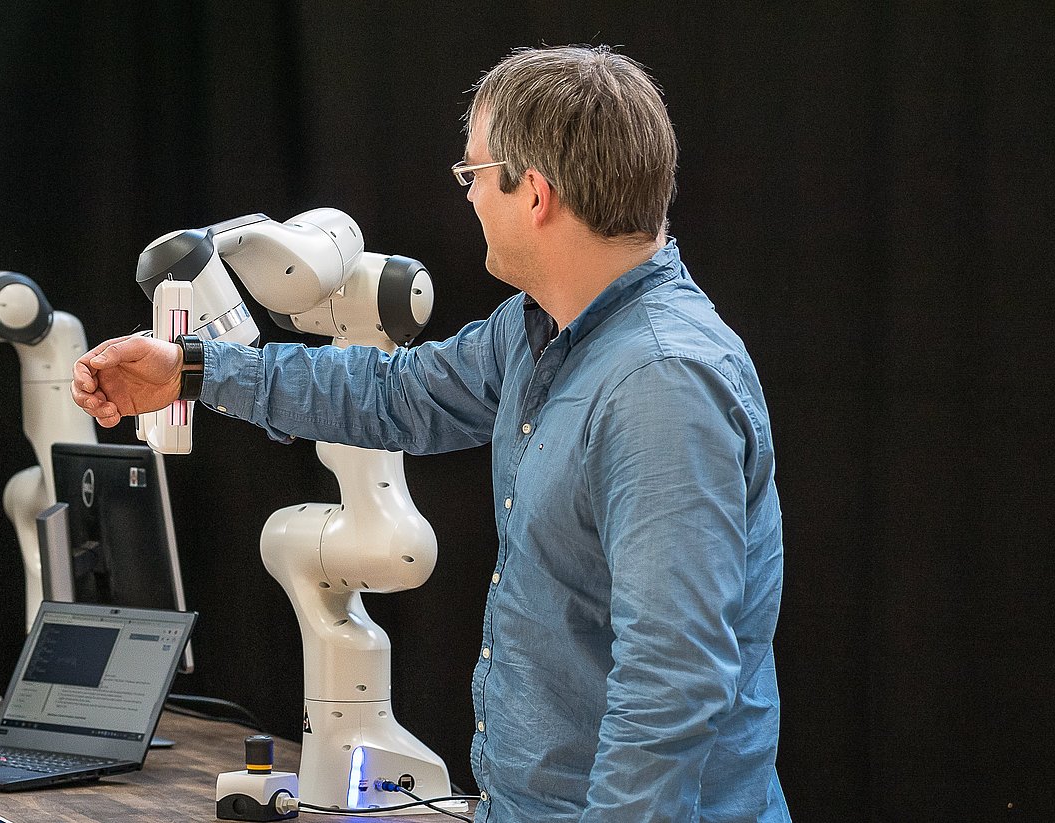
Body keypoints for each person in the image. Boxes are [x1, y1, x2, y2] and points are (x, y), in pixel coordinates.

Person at [72, 46, 788, 822]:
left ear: (535, 194)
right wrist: (194, 369)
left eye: (473, 175)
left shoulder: (661, 386)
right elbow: (395, 393)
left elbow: (672, 685)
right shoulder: (538, 328)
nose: (469, 196)